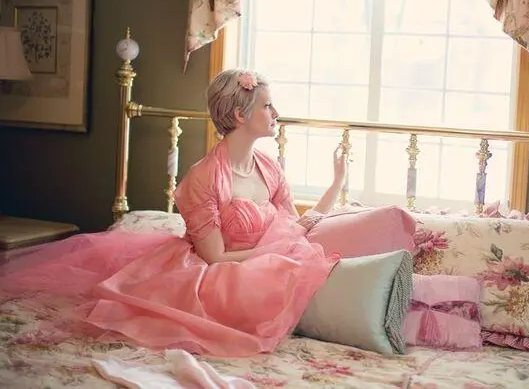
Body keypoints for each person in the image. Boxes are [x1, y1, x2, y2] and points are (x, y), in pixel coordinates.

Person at [0, 69, 345, 358]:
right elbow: (215, 257)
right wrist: (271, 253)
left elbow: (293, 226)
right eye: (268, 106)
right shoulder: (203, 177)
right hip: (216, 274)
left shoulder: (269, 168)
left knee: (310, 264)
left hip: (265, 266)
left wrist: (337, 183)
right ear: (241, 116)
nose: (276, 113)